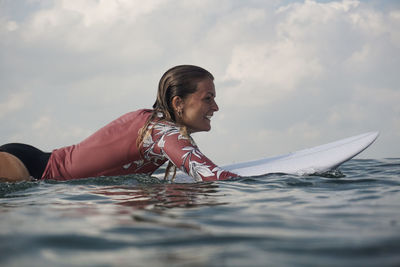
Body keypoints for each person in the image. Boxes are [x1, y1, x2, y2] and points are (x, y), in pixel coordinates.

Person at [0, 65, 238, 183]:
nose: (215, 107)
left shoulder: (160, 130)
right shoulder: (161, 131)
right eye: (208, 99)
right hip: (27, 169)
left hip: (33, 166)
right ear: (178, 102)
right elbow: (211, 176)